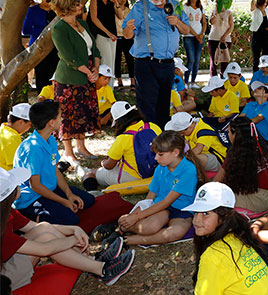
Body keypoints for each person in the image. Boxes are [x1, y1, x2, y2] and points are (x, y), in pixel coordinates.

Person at [0, 167, 135, 290]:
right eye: (16, 185)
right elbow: (44, 249)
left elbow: (36, 227)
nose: (19, 186)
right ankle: (103, 270)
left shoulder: (6, 211)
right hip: (5, 277)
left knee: (44, 228)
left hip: (6, 263)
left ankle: (92, 261)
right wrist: (73, 240)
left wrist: (73, 229)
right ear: (10, 194)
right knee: (46, 238)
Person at [185, 182, 268, 295]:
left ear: (224, 216)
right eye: (196, 212)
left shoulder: (213, 256)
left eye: (206, 213)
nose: (197, 219)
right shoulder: (238, 236)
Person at [122, 0, 191, 128]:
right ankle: (148, 135)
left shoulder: (175, 6)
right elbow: (127, 35)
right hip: (146, 63)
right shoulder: (141, 7)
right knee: (148, 105)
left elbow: (186, 30)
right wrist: (128, 28)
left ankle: (161, 137)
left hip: (167, 64)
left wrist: (178, 22)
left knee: (164, 104)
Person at [13, 100, 96, 225]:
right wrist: (64, 201)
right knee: (71, 219)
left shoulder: (50, 139)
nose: (62, 119)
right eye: (60, 116)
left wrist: (69, 194)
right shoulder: (33, 148)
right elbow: (35, 186)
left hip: (49, 189)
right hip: (32, 198)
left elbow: (55, 170)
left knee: (88, 200)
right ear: (51, 123)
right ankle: (28, 218)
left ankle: (55, 208)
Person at [117, 131, 201, 245]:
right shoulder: (160, 168)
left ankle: (129, 240)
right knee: (147, 227)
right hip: (162, 206)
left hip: (183, 209)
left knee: (176, 232)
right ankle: (124, 228)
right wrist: (135, 214)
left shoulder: (189, 170)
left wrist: (136, 217)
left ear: (175, 152)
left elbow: (167, 201)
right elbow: (150, 196)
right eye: (156, 154)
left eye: (160, 154)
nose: (156, 158)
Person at [51, 0, 102, 164]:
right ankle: (68, 151)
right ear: (67, 6)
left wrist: (95, 68)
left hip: (87, 74)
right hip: (68, 78)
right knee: (67, 115)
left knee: (83, 112)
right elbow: (69, 57)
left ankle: (81, 146)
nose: (81, 6)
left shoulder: (82, 23)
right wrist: (90, 73)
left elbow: (94, 48)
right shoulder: (59, 29)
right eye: (77, 3)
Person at [83, 102, 161, 190]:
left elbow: (109, 166)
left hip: (131, 176)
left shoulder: (123, 138)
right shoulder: (153, 127)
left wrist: (103, 163)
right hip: (154, 171)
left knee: (90, 173)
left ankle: (92, 192)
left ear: (118, 121)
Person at [213, 117, 268, 215]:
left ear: (235, 135)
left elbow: (216, 181)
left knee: (215, 195)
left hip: (258, 201)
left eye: (228, 132)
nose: (228, 135)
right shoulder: (261, 149)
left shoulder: (235, 155)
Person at [22, 0, 59, 91]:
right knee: (41, 76)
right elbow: (26, 30)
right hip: (39, 48)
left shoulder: (57, 11)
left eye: (53, 1)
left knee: (55, 76)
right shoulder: (33, 10)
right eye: (48, 0)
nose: (50, 4)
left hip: (55, 47)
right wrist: (42, 30)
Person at [88, 0, 120, 84]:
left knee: (111, 63)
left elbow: (120, 16)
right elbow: (94, 18)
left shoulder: (111, 1)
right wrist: (107, 33)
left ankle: (110, 91)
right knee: (105, 63)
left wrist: (116, 3)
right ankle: (102, 90)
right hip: (101, 34)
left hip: (113, 35)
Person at [182, 0, 207, 88]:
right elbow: (186, 23)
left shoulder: (200, 7)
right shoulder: (185, 7)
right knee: (191, 59)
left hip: (200, 37)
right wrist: (197, 36)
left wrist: (202, 34)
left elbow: (204, 22)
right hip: (189, 36)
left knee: (197, 60)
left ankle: (193, 82)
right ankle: (186, 82)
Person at [0, 103, 31, 171]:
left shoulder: (3, 130)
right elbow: (16, 166)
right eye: (29, 124)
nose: (29, 128)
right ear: (21, 122)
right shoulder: (11, 138)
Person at [209, 0, 235, 77]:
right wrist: (216, 13)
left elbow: (231, 26)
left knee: (225, 61)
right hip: (213, 38)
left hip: (226, 39)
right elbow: (212, 22)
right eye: (218, 1)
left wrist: (224, 36)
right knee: (213, 61)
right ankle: (213, 79)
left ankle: (224, 79)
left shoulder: (229, 12)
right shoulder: (213, 11)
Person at [114, 0, 135, 89]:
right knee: (117, 59)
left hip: (127, 37)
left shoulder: (129, 10)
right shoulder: (113, 9)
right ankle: (119, 81)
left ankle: (133, 81)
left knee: (130, 58)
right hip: (116, 37)